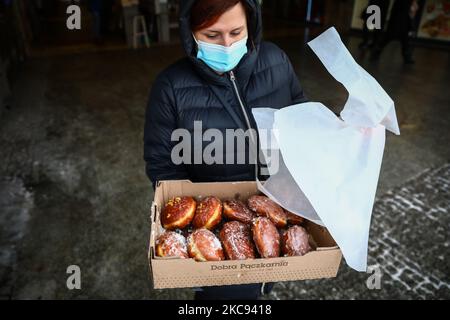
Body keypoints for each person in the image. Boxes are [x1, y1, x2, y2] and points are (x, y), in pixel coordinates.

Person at [144, 0, 306, 300]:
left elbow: (301, 117)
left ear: (251, 24)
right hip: (215, 237)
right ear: (190, 32)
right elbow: (162, 166)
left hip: (276, 208)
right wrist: (196, 229)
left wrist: (341, 133)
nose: (227, 45)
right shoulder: (170, 87)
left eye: (236, 31)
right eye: (212, 36)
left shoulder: (277, 62)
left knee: (263, 286)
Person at [372, 0, 420, 64]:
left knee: (404, 39)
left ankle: (406, 56)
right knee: (391, 36)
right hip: (399, 16)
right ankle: (376, 52)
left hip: (402, 17)